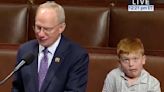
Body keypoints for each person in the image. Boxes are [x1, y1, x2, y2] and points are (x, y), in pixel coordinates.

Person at [12, 1, 89, 92]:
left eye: (47, 29)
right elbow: (17, 88)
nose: (41, 34)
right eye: (38, 27)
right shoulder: (25, 51)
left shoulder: (76, 56)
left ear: (61, 28)